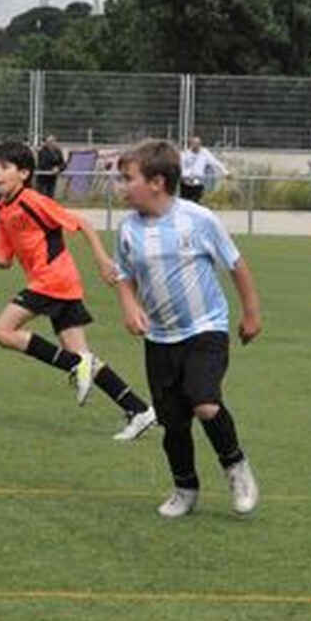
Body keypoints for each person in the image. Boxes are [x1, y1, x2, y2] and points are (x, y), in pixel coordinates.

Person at [0, 140, 159, 441]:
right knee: (82, 355)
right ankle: (138, 409)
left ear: (24, 173)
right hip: (61, 284)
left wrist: (101, 259)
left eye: (4, 168)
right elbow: (4, 260)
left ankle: (76, 365)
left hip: (52, 281)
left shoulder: (32, 200)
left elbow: (82, 224)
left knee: (2, 331)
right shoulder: (2, 210)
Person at [112, 139, 262, 518]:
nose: (121, 186)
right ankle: (185, 488)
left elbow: (236, 265)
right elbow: (123, 275)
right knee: (173, 423)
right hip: (160, 337)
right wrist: (129, 305)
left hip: (205, 329)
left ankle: (236, 466)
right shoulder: (128, 228)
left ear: (157, 182)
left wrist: (251, 314)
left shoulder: (198, 219)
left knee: (205, 402)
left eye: (128, 178)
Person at [180, 135, 226, 203]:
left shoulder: (204, 153)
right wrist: (184, 175)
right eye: (194, 143)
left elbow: (215, 162)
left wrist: (225, 172)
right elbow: (181, 166)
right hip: (186, 182)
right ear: (191, 144)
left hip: (198, 182)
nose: (196, 145)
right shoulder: (185, 154)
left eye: (198, 144)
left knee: (196, 203)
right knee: (184, 203)